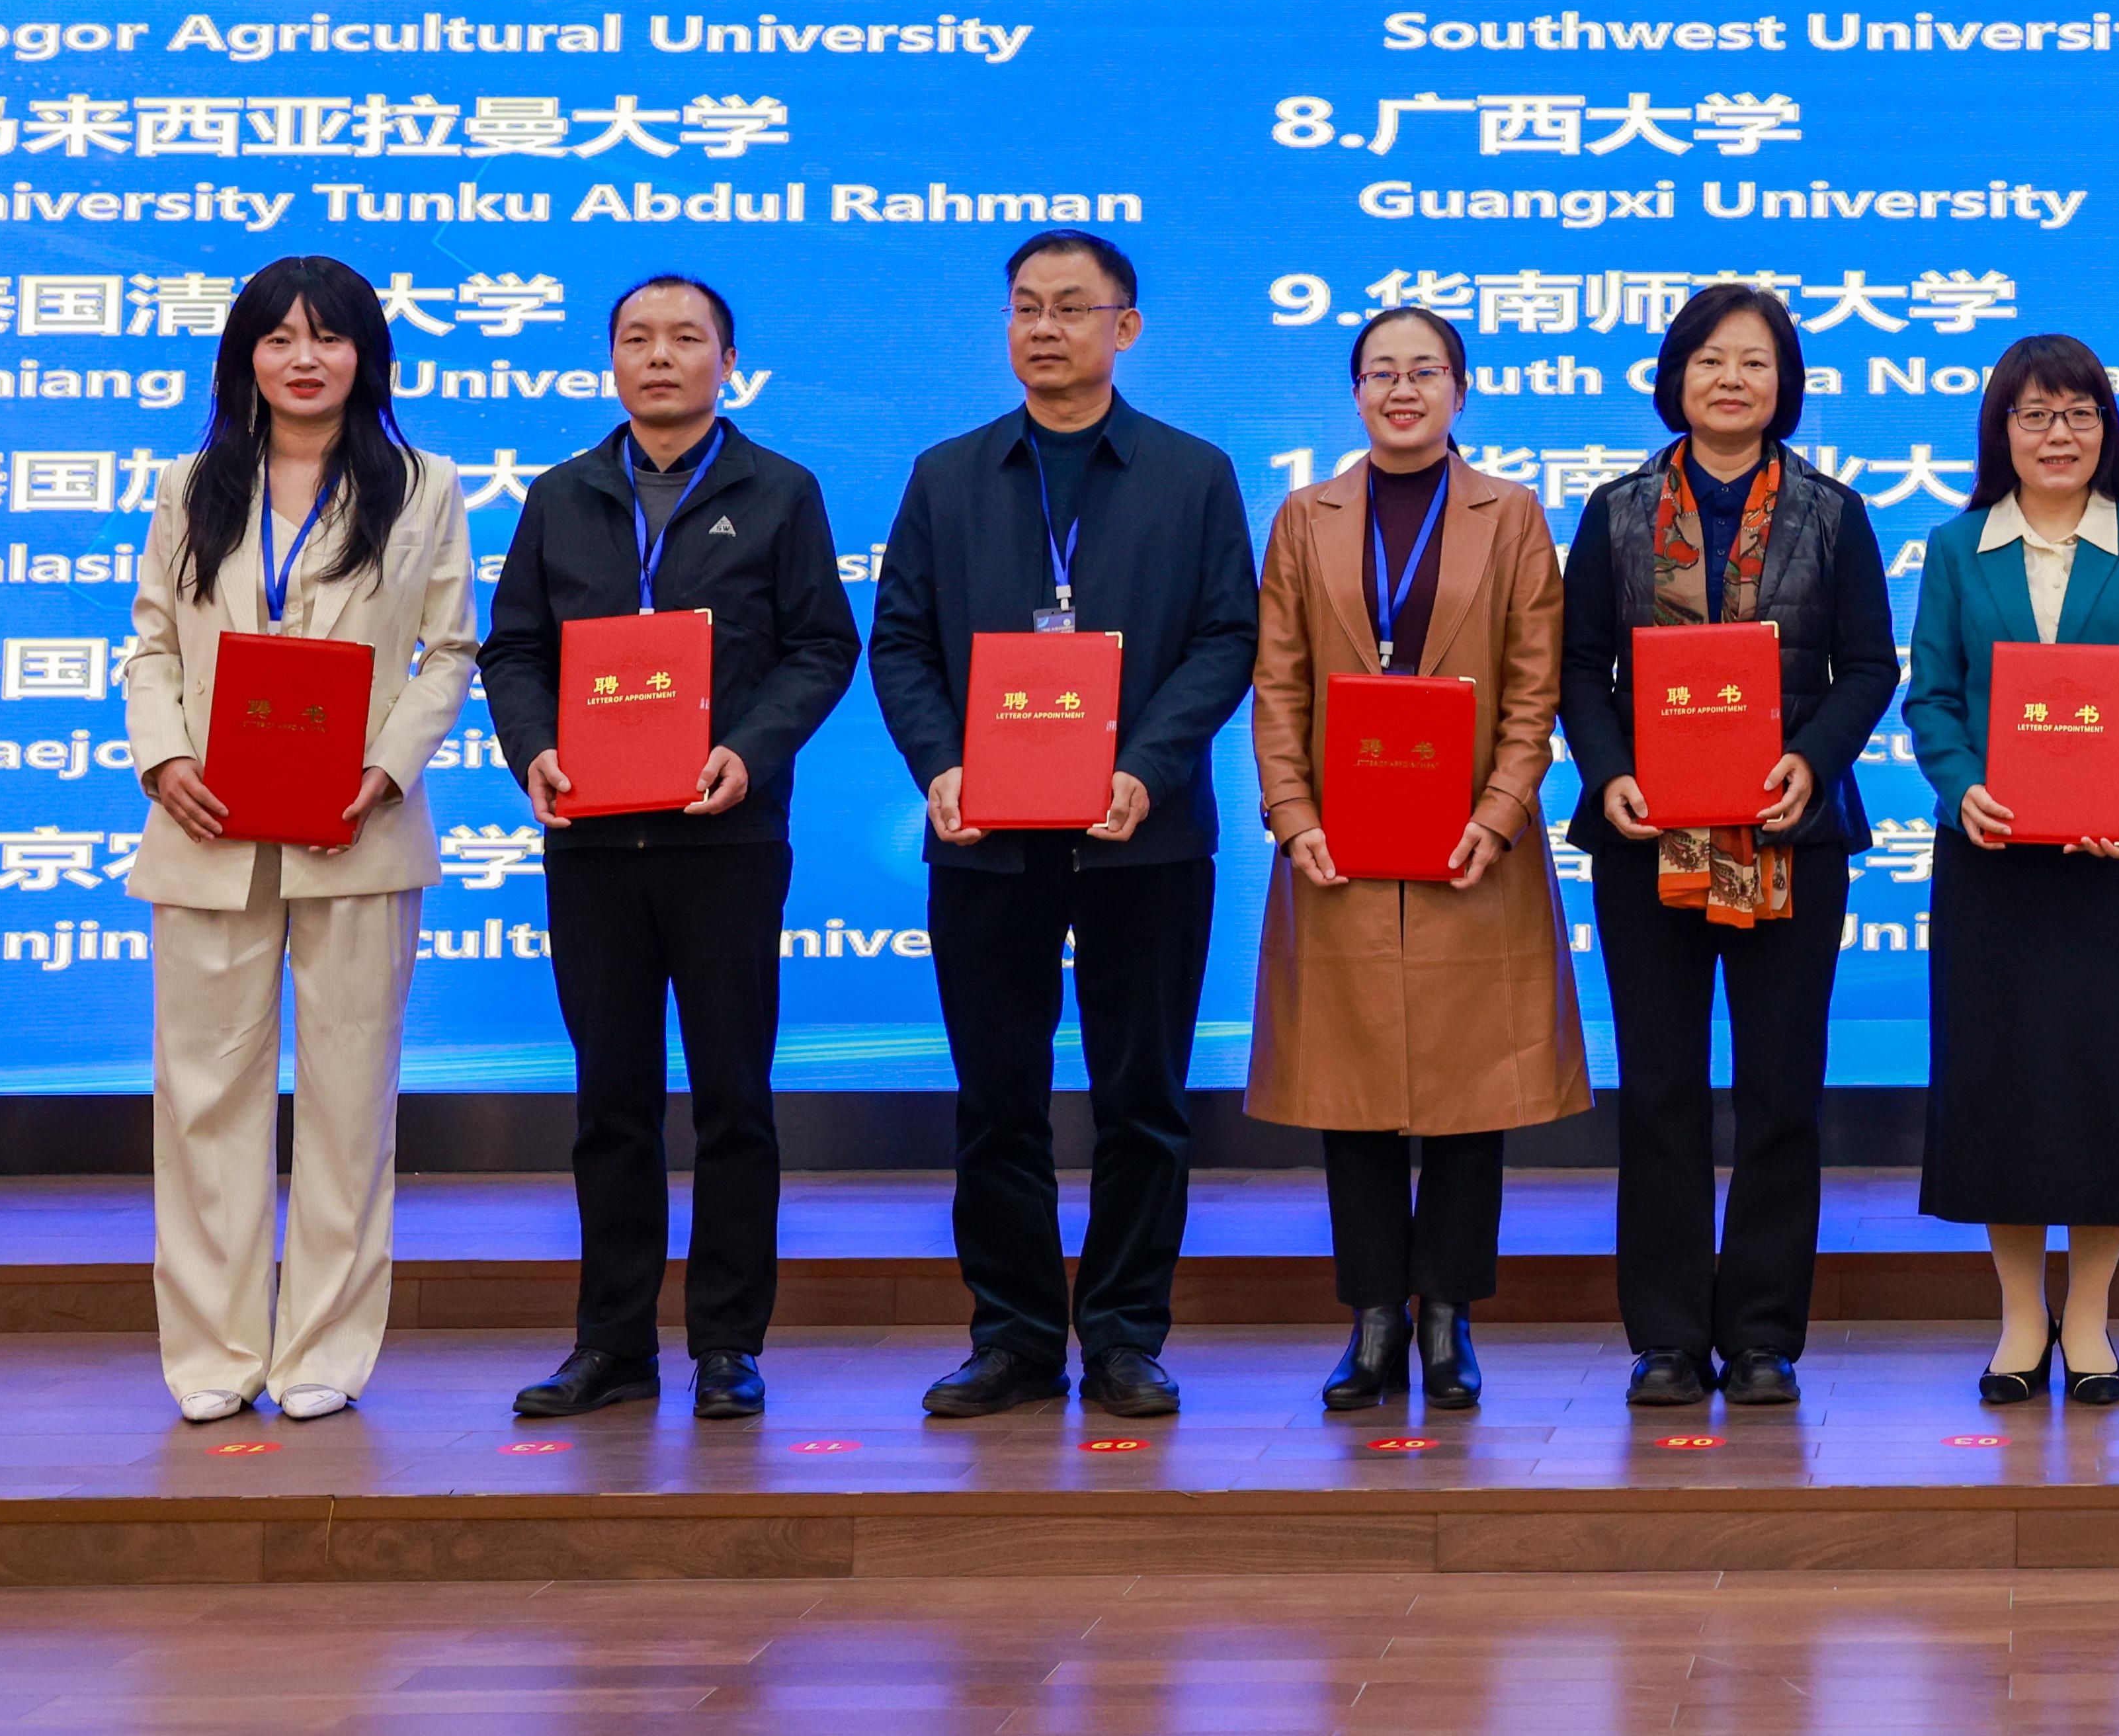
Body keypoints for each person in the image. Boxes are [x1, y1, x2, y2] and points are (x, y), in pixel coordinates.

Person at [863, 231, 1265, 1423]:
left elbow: (1226, 639)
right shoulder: (947, 475)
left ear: (1125, 327)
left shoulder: (1193, 473)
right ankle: (1015, 1338)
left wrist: (1147, 767)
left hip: (1146, 834)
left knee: (1143, 1097)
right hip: (986, 839)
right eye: (1026, 308)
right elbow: (900, 641)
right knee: (998, 1098)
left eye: (1072, 308)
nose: (1045, 328)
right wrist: (940, 766)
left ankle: (1128, 1336)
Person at [481, 272, 860, 1423]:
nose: (659, 356)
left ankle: (729, 1343)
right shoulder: (562, 495)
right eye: (637, 338)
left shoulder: (780, 491)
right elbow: (513, 649)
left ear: (727, 363)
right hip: (593, 840)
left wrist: (752, 748)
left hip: (725, 834)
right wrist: (535, 749)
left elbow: (821, 646)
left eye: (686, 338)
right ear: (611, 361)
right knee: (612, 1099)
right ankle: (612, 1345)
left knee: (735, 1096)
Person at [122, 255, 479, 1423]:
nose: (305, 358)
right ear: (246, 358)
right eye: (279, 338)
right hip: (210, 825)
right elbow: (153, 647)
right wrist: (165, 759)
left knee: (349, 1098)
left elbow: (451, 651)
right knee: (203, 1099)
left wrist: (389, 769)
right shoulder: (191, 484)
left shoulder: (423, 486)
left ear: (367, 355)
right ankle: (215, 1356)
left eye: (329, 337)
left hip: (355, 828)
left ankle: (324, 1348)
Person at [1243, 303, 1591, 1417]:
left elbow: (1535, 687)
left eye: (1425, 371)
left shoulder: (1512, 513)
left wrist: (1501, 812)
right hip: (1337, 847)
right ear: (1355, 394)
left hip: (1469, 847)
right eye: (1381, 372)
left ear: (1460, 391)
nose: (1403, 390)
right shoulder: (1306, 516)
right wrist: (1292, 814)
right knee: (1349, 1094)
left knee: (1468, 1096)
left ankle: (1447, 1317)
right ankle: (1373, 1318)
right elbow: (1279, 683)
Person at [1558, 281, 1901, 1411]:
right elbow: (1579, 666)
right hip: (1646, 837)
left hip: (1788, 833)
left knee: (1779, 1094)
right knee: (1660, 1091)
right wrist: (1608, 771)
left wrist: (1814, 760)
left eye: (1755, 361)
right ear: (1676, 377)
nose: (1731, 380)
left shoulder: (1834, 512)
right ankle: (1665, 1336)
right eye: (1710, 359)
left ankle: (1761, 1334)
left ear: (1784, 383)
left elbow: (1869, 666)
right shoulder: (1615, 511)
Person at [1902, 337, 2119, 1409]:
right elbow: (1931, 696)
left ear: (2106, 429)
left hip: (2115, 859)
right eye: (2034, 415)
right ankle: (2022, 1317)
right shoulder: (1956, 547)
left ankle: (2091, 1318)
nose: (2057, 434)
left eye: (2078, 413)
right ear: (2002, 432)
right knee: (2005, 1085)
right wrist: (1961, 789)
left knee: (2105, 1083)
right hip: (1993, 860)